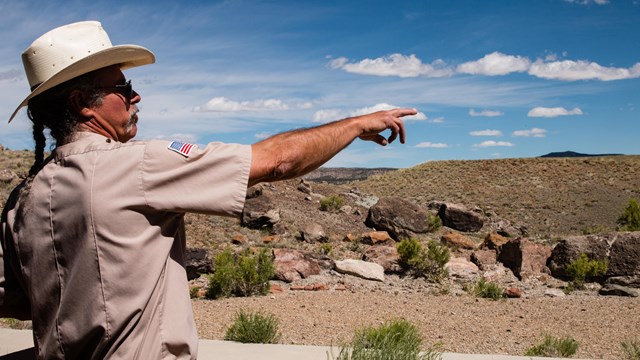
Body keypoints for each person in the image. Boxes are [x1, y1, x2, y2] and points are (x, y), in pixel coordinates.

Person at [0, 21, 416, 359]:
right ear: (81, 104)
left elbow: (17, 303)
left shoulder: (23, 198)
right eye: (123, 89)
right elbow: (277, 162)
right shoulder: (137, 164)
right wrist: (357, 123)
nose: (135, 96)